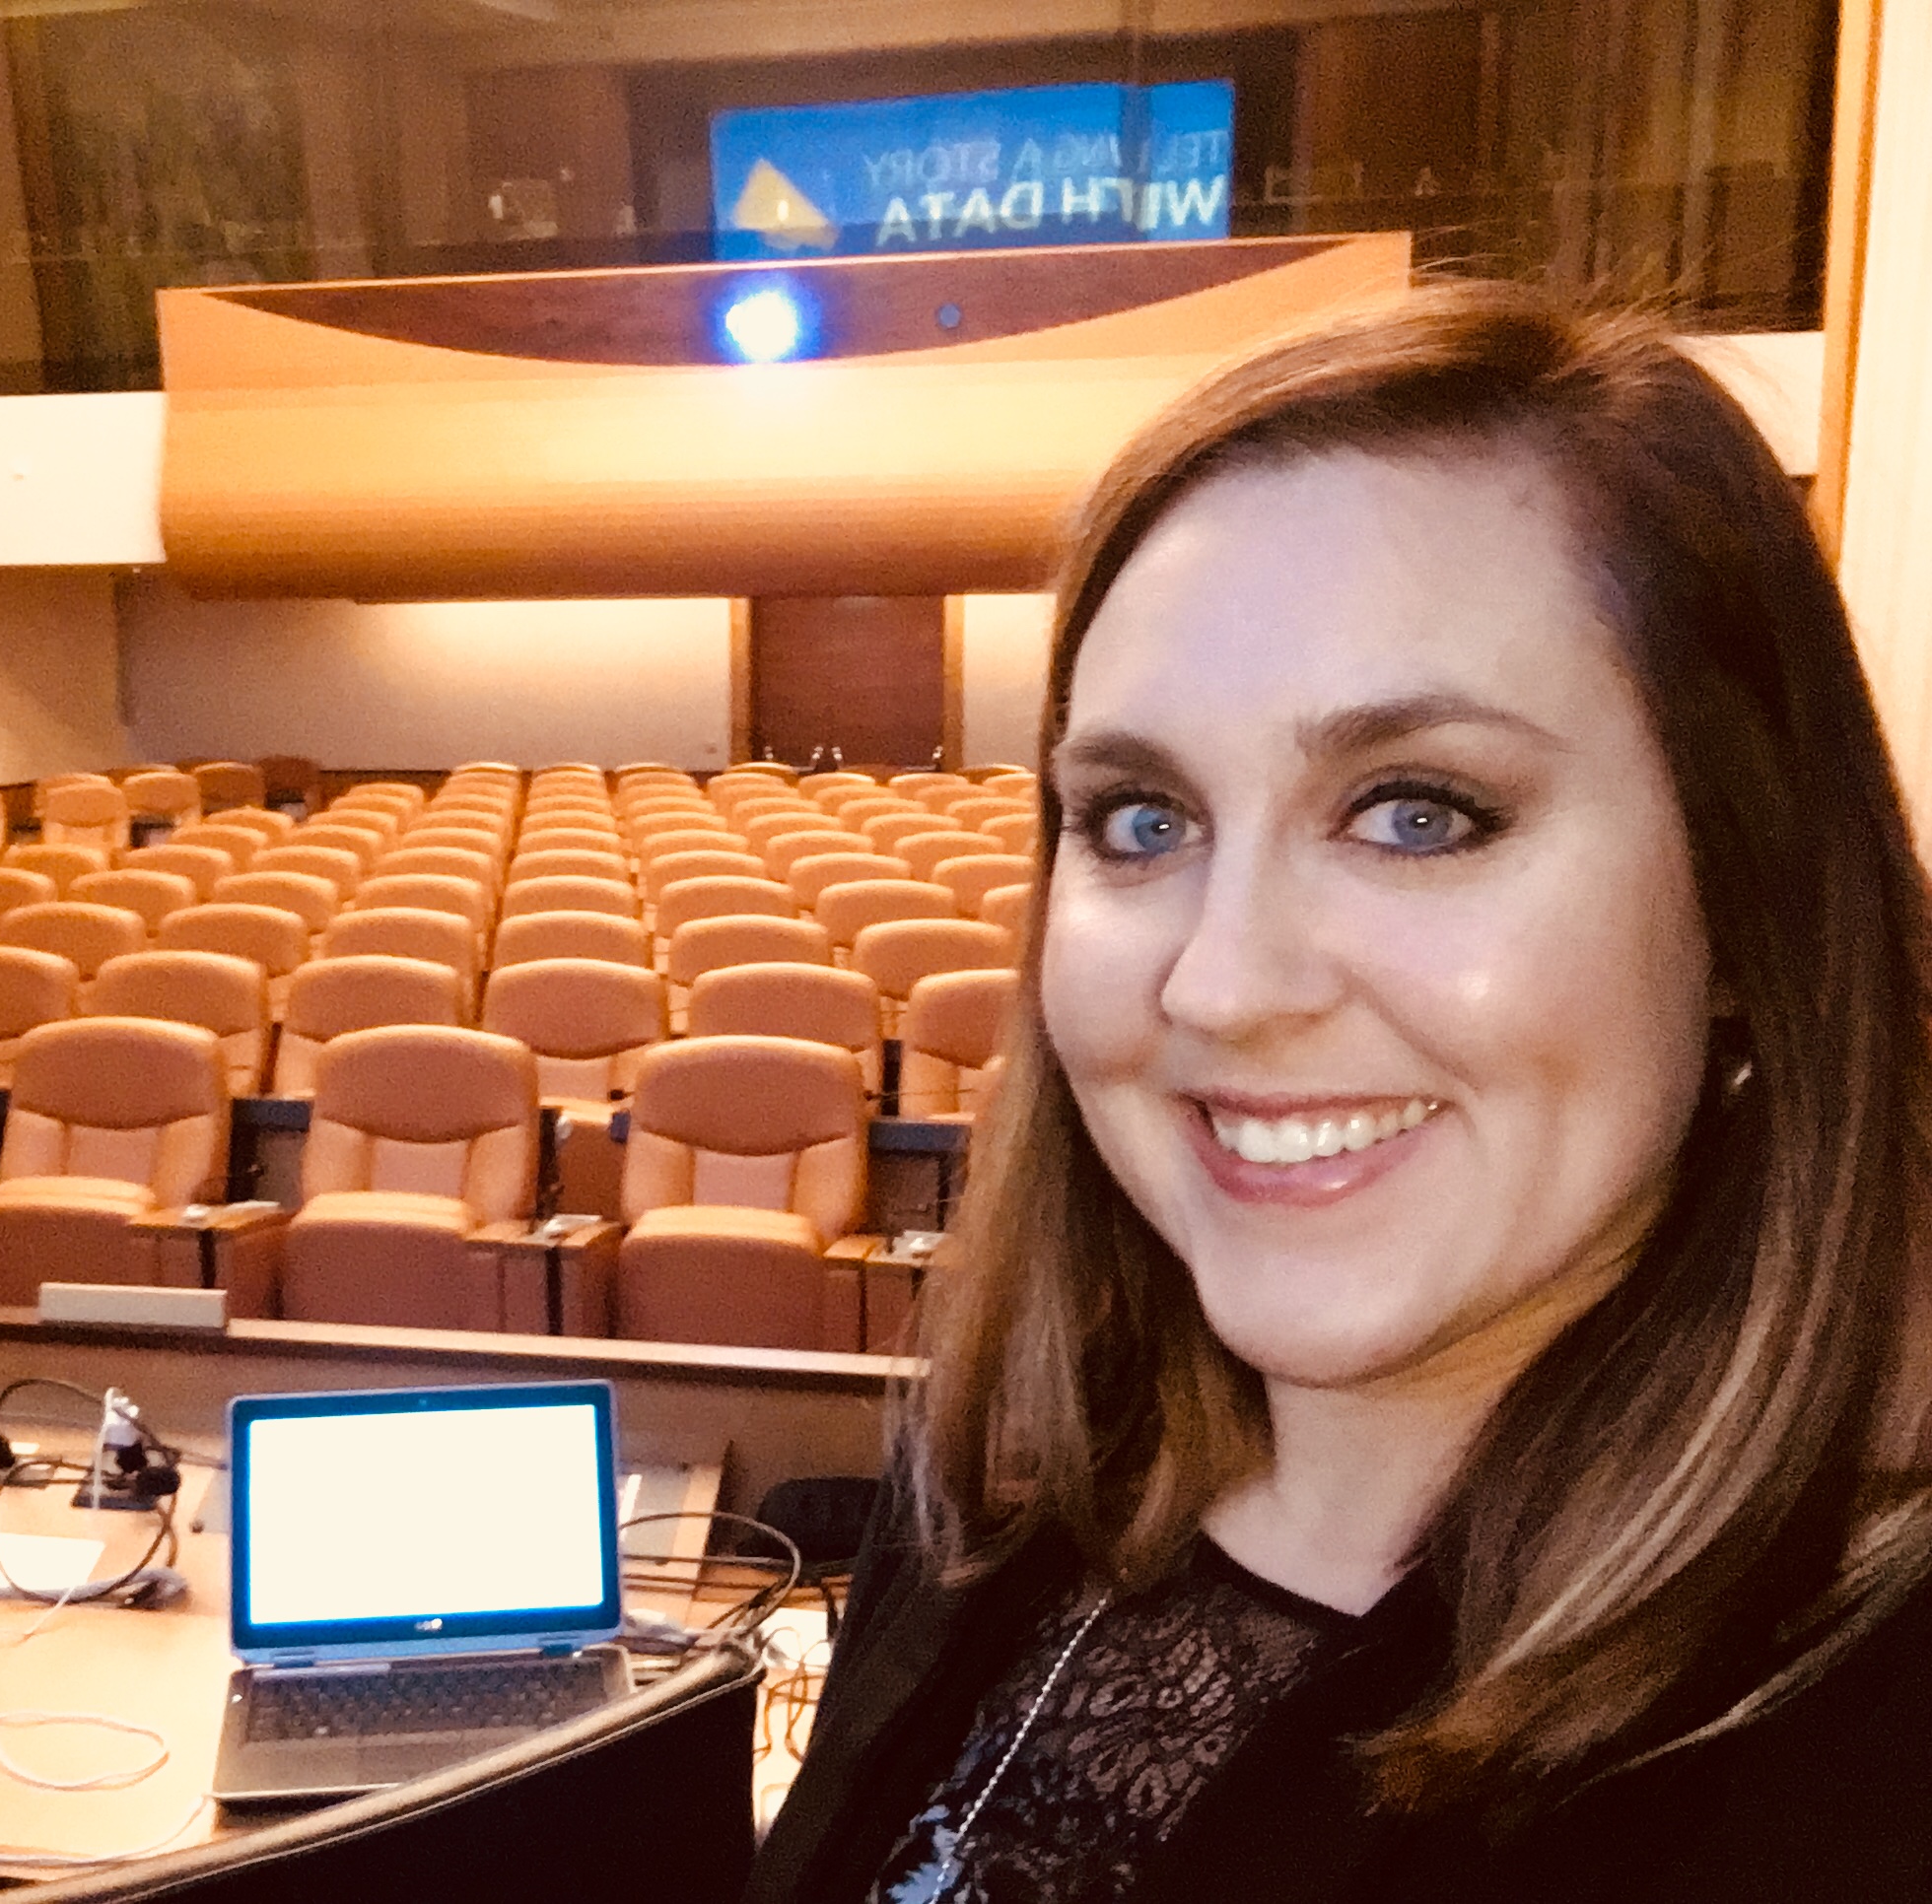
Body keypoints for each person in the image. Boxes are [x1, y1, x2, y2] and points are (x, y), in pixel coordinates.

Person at [746, 284, 1932, 1903]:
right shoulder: (992, 1479)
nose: (1220, 986)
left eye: (1420, 813)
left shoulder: (1865, 1754)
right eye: (1142, 819)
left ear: (1747, 898)